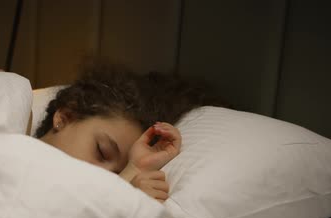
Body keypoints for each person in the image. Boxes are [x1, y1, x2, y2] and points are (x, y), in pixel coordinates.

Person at [34, 64, 228, 202]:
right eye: (102, 151)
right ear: (65, 117)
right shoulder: (13, 114)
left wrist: (133, 175)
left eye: (117, 175)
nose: (103, 177)